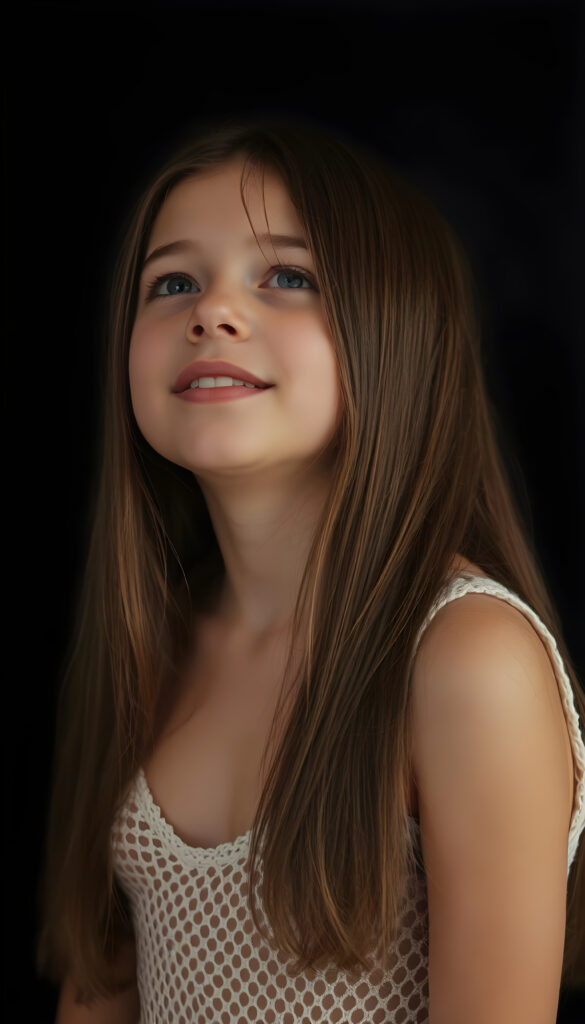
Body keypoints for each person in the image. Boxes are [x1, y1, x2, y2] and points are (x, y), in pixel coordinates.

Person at [37, 113, 585, 1024]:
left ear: (396, 332)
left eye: (287, 276)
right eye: (171, 282)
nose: (211, 310)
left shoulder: (465, 661)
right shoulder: (154, 640)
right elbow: (98, 988)